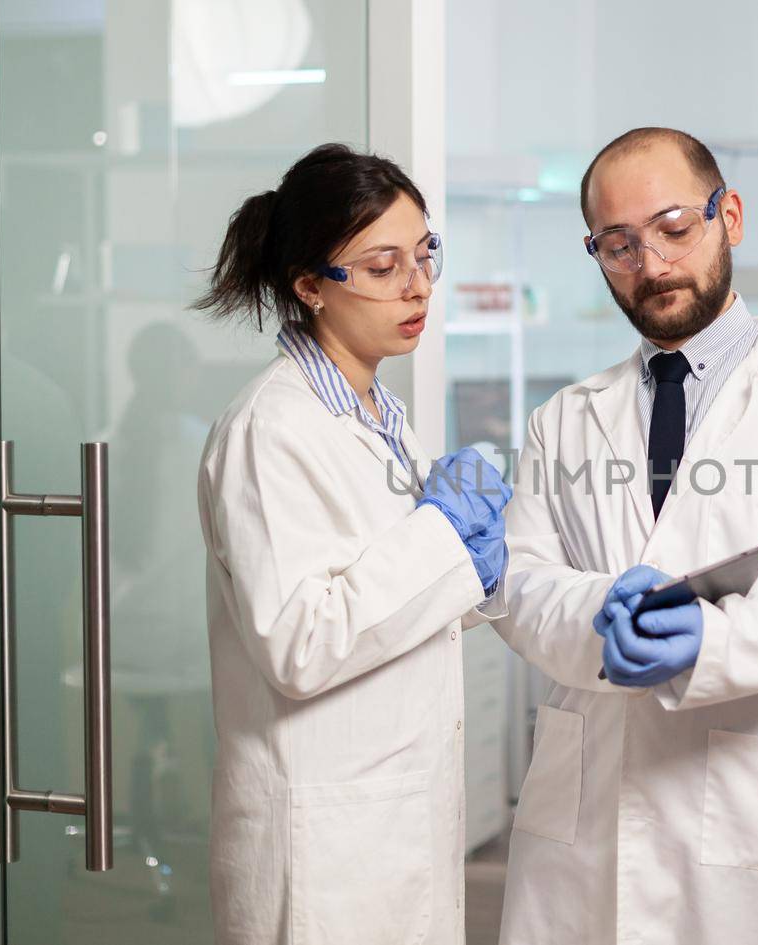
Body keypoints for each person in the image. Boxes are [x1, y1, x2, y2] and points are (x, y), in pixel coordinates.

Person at [491, 127, 758, 944]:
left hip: (757, 818)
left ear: (731, 216)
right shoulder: (565, 418)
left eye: (674, 228)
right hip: (590, 832)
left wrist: (709, 642)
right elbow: (519, 582)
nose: (650, 265)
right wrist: (595, 607)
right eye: (618, 245)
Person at [194, 143, 511, 945]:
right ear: (310, 286)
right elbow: (301, 641)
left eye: (424, 254)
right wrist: (445, 540)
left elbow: (391, 595)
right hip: (322, 843)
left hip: (390, 821)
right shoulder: (272, 427)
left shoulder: (379, 413)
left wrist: (472, 569)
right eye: (382, 266)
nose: (418, 286)